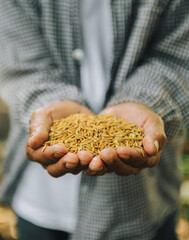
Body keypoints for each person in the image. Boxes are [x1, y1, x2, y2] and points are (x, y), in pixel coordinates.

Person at [0, 0, 188, 239]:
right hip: (39, 199)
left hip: (144, 204)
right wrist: (47, 101)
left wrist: (147, 101)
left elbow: (178, 56)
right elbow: (20, 63)